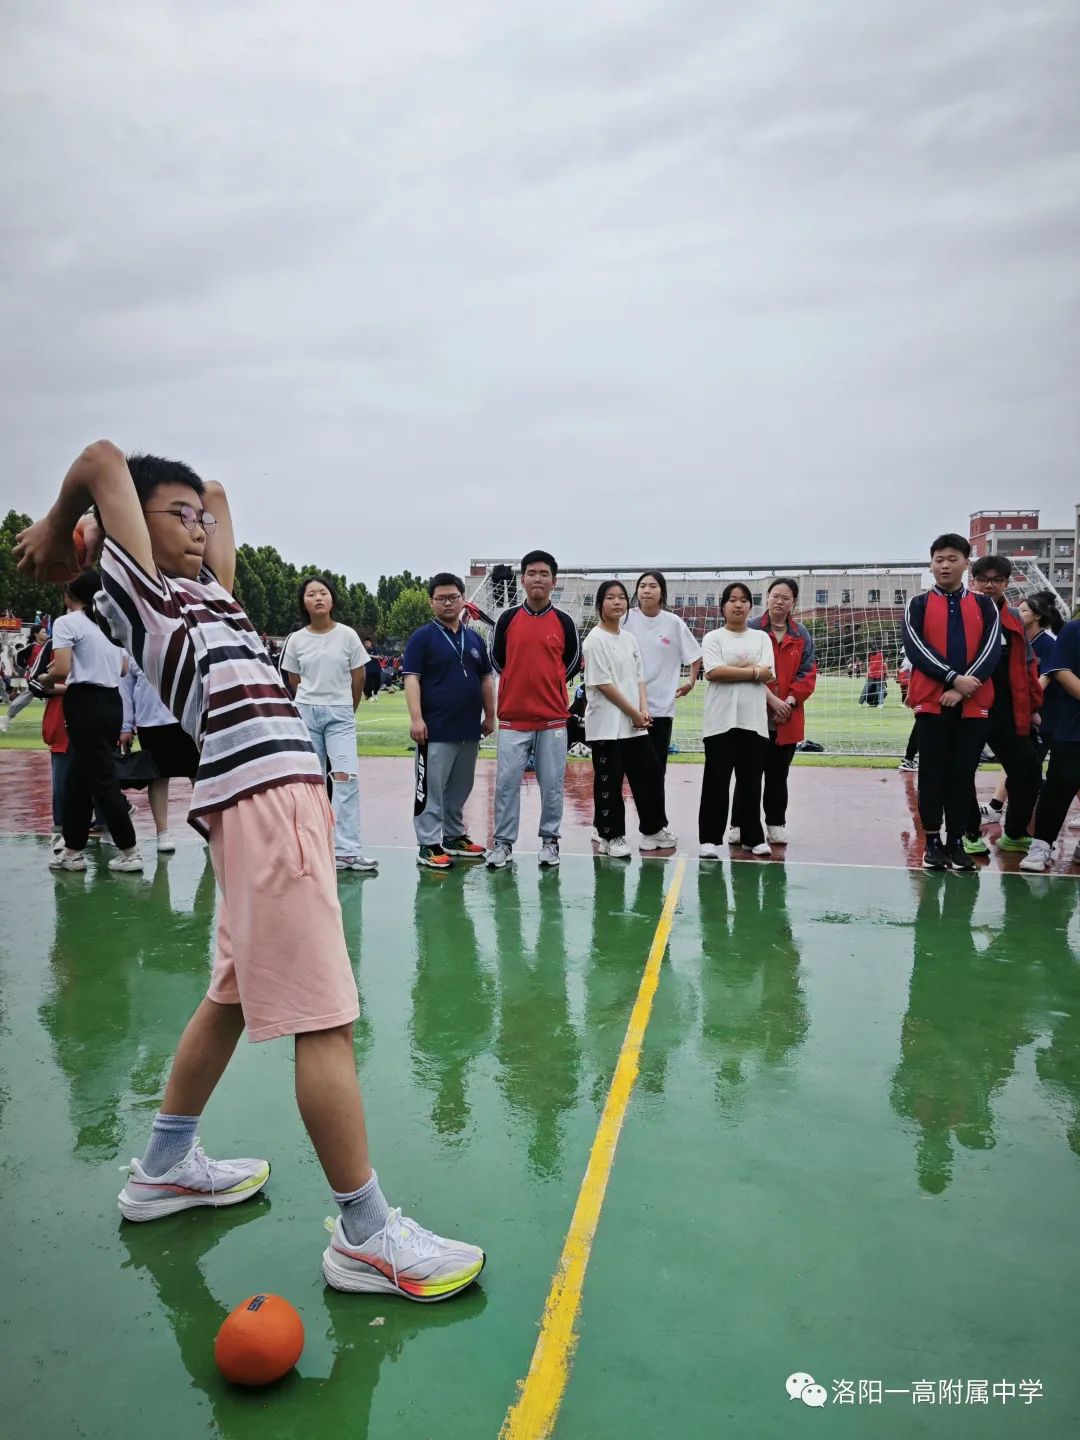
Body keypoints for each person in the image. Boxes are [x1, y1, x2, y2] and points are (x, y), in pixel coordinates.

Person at [15, 442, 484, 1300]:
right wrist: (60, 526)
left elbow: (218, 494)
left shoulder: (209, 598)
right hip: (267, 803)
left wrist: (191, 506)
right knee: (326, 1020)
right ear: (129, 531)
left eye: (200, 521)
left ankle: (164, 1166)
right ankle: (366, 1234)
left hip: (273, 802)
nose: (200, 529)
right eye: (179, 518)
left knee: (230, 996)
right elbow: (102, 459)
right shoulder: (147, 598)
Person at [902, 533, 1000, 870]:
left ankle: (956, 842)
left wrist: (962, 688)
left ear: (965, 563)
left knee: (962, 776)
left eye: (952, 559)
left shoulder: (984, 605)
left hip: (973, 705)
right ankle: (932, 842)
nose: (944, 565)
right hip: (932, 704)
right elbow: (916, 649)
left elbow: (991, 651)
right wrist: (952, 677)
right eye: (939, 559)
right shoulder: (918, 604)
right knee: (931, 774)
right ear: (931, 564)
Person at [35, 571, 142, 874]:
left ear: (71, 594)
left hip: (84, 703)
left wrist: (43, 678)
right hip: (111, 702)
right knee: (78, 780)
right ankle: (72, 851)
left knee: (102, 780)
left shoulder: (67, 622)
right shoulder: (111, 624)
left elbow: (61, 669)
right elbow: (123, 669)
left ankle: (130, 850)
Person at [487, 549, 580, 870]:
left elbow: (571, 663)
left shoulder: (564, 621)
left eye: (544, 574)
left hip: (553, 719)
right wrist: (520, 683)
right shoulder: (507, 619)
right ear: (523, 579)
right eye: (531, 573)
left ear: (553, 581)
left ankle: (550, 841)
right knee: (506, 784)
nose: (537, 578)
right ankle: (502, 843)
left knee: (552, 785)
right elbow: (498, 660)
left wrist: (548, 684)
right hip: (513, 718)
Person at [281, 576, 378, 873]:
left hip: (340, 714)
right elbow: (293, 678)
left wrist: (347, 708)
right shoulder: (296, 640)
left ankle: (347, 851)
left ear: (332, 599)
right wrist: (309, 701)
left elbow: (359, 676)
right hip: (307, 714)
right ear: (304, 603)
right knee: (310, 783)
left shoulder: (347, 635)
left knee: (346, 777)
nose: (318, 598)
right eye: (311, 594)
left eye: (323, 592)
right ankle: (311, 849)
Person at [403, 572, 495, 870]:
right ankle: (428, 843)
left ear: (463, 600)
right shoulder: (422, 637)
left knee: (460, 787)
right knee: (431, 788)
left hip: (468, 728)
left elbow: (485, 679)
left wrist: (490, 715)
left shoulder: (474, 638)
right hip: (435, 729)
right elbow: (412, 679)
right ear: (431, 602)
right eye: (441, 598)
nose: (448, 603)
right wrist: (416, 719)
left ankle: (454, 836)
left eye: (453, 597)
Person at [960, 556, 1044, 860]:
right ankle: (969, 833)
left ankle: (1014, 833)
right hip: (969, 708)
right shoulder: (960, 614)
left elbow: (1028, 664)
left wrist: (1033, 706)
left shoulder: (1013, 618)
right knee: (961, 772)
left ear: (1007, 584)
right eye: (983, 579)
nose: (989, 585)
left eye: (997, 580)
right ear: (973, 581)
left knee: (1028, 771)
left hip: (1008, 709)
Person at [583, 580, 673, 857]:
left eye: (622, 597)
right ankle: (610, 836)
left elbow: (639, 679)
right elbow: (604, 684)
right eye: (610, 597)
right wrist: (634, 713)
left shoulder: (629, 638)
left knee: (650, 773)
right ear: (600, 604)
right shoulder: (594, 640)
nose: (617, 602)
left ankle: (653, 828)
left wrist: (643, 711)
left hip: (634, 726)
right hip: (607, 727)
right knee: (609, 782)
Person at [731, 576, 817, 845]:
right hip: (753, 713)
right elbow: (744, 669)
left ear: (794, 602)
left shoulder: (801, 634)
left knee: (778, 775)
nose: (779, 601)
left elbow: (808, 674)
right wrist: (771, 701)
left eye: (785, 598)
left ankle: (776, 823)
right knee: (748, 774)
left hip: (787, 717)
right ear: (767, 597)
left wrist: (788, 702)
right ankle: (739, 824)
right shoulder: (752, 628)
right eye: (775, 596)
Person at [698, 582, 776, 859]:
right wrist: (753, 671)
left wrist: (736, 669)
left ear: (750, 606)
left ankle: (752, 837)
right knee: (716, 782)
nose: (738, 605)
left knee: (751, 782)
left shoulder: (761, 638)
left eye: (743, 600)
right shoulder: (713, 637)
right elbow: (714, 672)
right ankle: (709, 839)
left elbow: (769, 673)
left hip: (753, 721)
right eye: (732, 600)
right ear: (723, 606)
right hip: (720, 721)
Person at [980, 589, 1063, 821]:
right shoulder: (1021, 639)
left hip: (1047, 714)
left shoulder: (1048, 644)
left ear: (1037, 616)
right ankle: (996, 807)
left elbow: (1044, 678)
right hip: (1027, 711)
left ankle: (1009, 818)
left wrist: (1026, 704)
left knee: (1055, 768)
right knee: (1017, 762)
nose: (1018, 612)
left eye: (1024, 610)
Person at [621, 570, 702, 774]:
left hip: (661, 708)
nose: (646, 590)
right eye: (642, 586)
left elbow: (695, 655)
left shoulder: (673, 622)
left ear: (662, 592)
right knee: (630, 770)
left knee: (656, 771)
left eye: (652, 586)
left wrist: (691, 682)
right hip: (629, 706)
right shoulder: (625, 619)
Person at [120, 655, 200, 853]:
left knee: (198, 775)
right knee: (157, 777)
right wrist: (126, 726)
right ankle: (162, 833)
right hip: (150, 721)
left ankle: (208, 828)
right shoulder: (130, 647)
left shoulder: (186, 642)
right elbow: (126, 687)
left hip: (186, 717)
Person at [1022, 617, 1080, 873]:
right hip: (1073, 725)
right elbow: (1060, 670)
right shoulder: (1074, 630)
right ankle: (1042, 845)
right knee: (1061, 782)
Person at [0, 622, 48, 732]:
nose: (46, 634)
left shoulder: (45, 646)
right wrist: (27, 667)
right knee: (26, 697)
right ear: (36, 634)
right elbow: (18, 656)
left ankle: (51, 722)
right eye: (43, 632)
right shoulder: (32, 646)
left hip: (45, 676)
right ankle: (7, 718)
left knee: (48, 698)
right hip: (35, 677)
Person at [897, 656, 919, 772]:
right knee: (923, 725)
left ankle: (909, 759)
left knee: (922, 725)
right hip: (929, 693)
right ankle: (909, 759)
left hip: (923, 691)